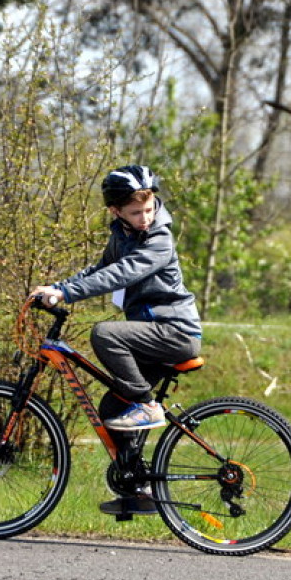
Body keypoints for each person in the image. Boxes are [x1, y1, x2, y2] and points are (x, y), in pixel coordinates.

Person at [31, 164, 203, 515]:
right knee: (112, 407)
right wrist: (57, 288)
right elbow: (99, 270)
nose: (145, 217)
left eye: (149, 208)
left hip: (175, 332)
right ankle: (137, 491)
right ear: (116, 212)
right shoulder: (122, 236)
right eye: (136, 212)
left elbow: (124, 273)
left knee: (105, 333)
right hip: (151, 336)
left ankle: (146, 404)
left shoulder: (159, 239)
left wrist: (66, 294)